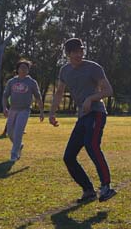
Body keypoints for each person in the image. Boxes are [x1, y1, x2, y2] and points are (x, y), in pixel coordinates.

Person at [49, 38, 116, 203]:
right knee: (69, 156)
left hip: (97, 113)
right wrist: (52, 112)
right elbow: (59, 92)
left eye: (81, 51)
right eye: (75, 52)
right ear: (68, 54)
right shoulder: (64, 71)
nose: (79, 55)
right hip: (83, 116)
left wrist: (91, 98)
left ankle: (106, 187)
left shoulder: (93, 68)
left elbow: (108, 90)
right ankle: (88, 190)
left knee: (91, 145)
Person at [2, 59, 44, 162]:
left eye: (26, 68)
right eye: (22, 68)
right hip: (13, 109)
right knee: (10, 132)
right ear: (17, 69)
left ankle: (14, 154)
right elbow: (5, 95)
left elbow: (38, 97)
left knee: (18, 132)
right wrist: (4, 108)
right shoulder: (11, 82)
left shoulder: (31, 82)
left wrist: (41, 111)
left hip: (24, 110)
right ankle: (19, 145)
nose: (24, 70)